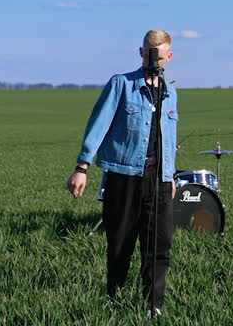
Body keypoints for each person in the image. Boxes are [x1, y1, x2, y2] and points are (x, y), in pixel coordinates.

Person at [67, 29, 179, 318]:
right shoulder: (121, 84)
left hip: (159, 180)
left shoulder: (171, 93)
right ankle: (114, 299)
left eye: (159, 56)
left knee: (159, 245)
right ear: (141, 52)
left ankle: (154, 305)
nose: (154, 61)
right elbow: (99, 124)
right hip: (123, 176)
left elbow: (168, 135)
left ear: (169, 56)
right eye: (149, 54)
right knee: (120, 243)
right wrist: (82, 167)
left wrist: (170, 176)